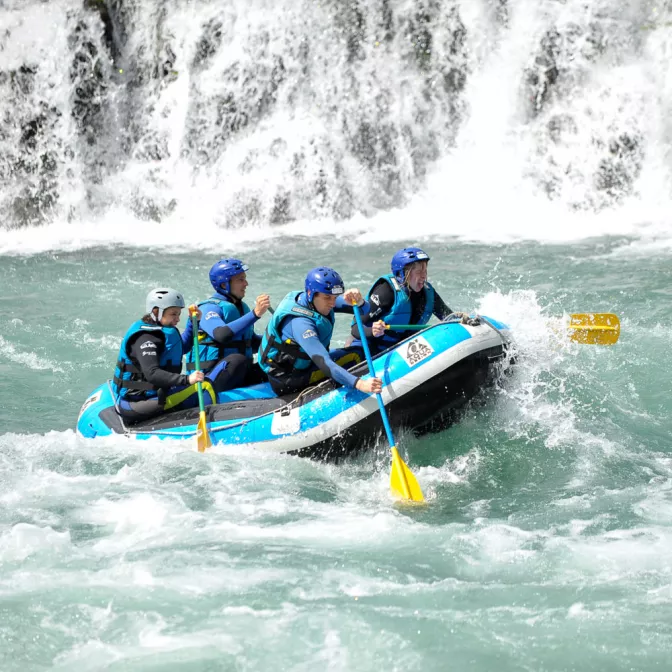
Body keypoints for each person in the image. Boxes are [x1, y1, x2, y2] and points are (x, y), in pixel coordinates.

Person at [112, 288, 247, 423]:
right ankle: (213, 424)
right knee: (205, 386)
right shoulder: (146, 338)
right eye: (173, 314)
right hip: (138, 402)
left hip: (156, 394)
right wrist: (187, 379)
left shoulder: (161, 331)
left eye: (179, 314)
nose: (177, 319)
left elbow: (183, 347)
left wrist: (193, 321)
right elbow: (152, 373)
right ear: (156, 312)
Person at [258, 267, 384, 396]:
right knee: (356, 355)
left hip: (303, 365)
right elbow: (324, 362)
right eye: (328, 298)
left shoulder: (316, 300)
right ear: (310, 293)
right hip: (289, 380)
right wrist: (361, 384)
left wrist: (359, 301)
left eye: (335, 297)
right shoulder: (301, 323)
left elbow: (365, 310)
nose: (333, 303)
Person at [350, 246, 476, 354]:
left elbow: (449, 318)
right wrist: (371, 331)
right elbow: (356, 327)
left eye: (425, 270)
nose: (424, 276)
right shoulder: (386, 291)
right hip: (371, 349)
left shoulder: (428, 294)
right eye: (419, 271)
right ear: (402, 274)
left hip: (401, 352)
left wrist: (468, 321)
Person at [186, 258, 271, 386]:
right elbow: (222, 335)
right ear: (224, 285)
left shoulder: (241, 307)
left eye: (245, 278)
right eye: (240, 280)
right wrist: (255, 314)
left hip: (239, 373)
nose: (246, 283)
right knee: (237, 360)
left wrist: (277, 341)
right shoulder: (208, 308)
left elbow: (250, 343)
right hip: (211, 377)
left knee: (275, 361)